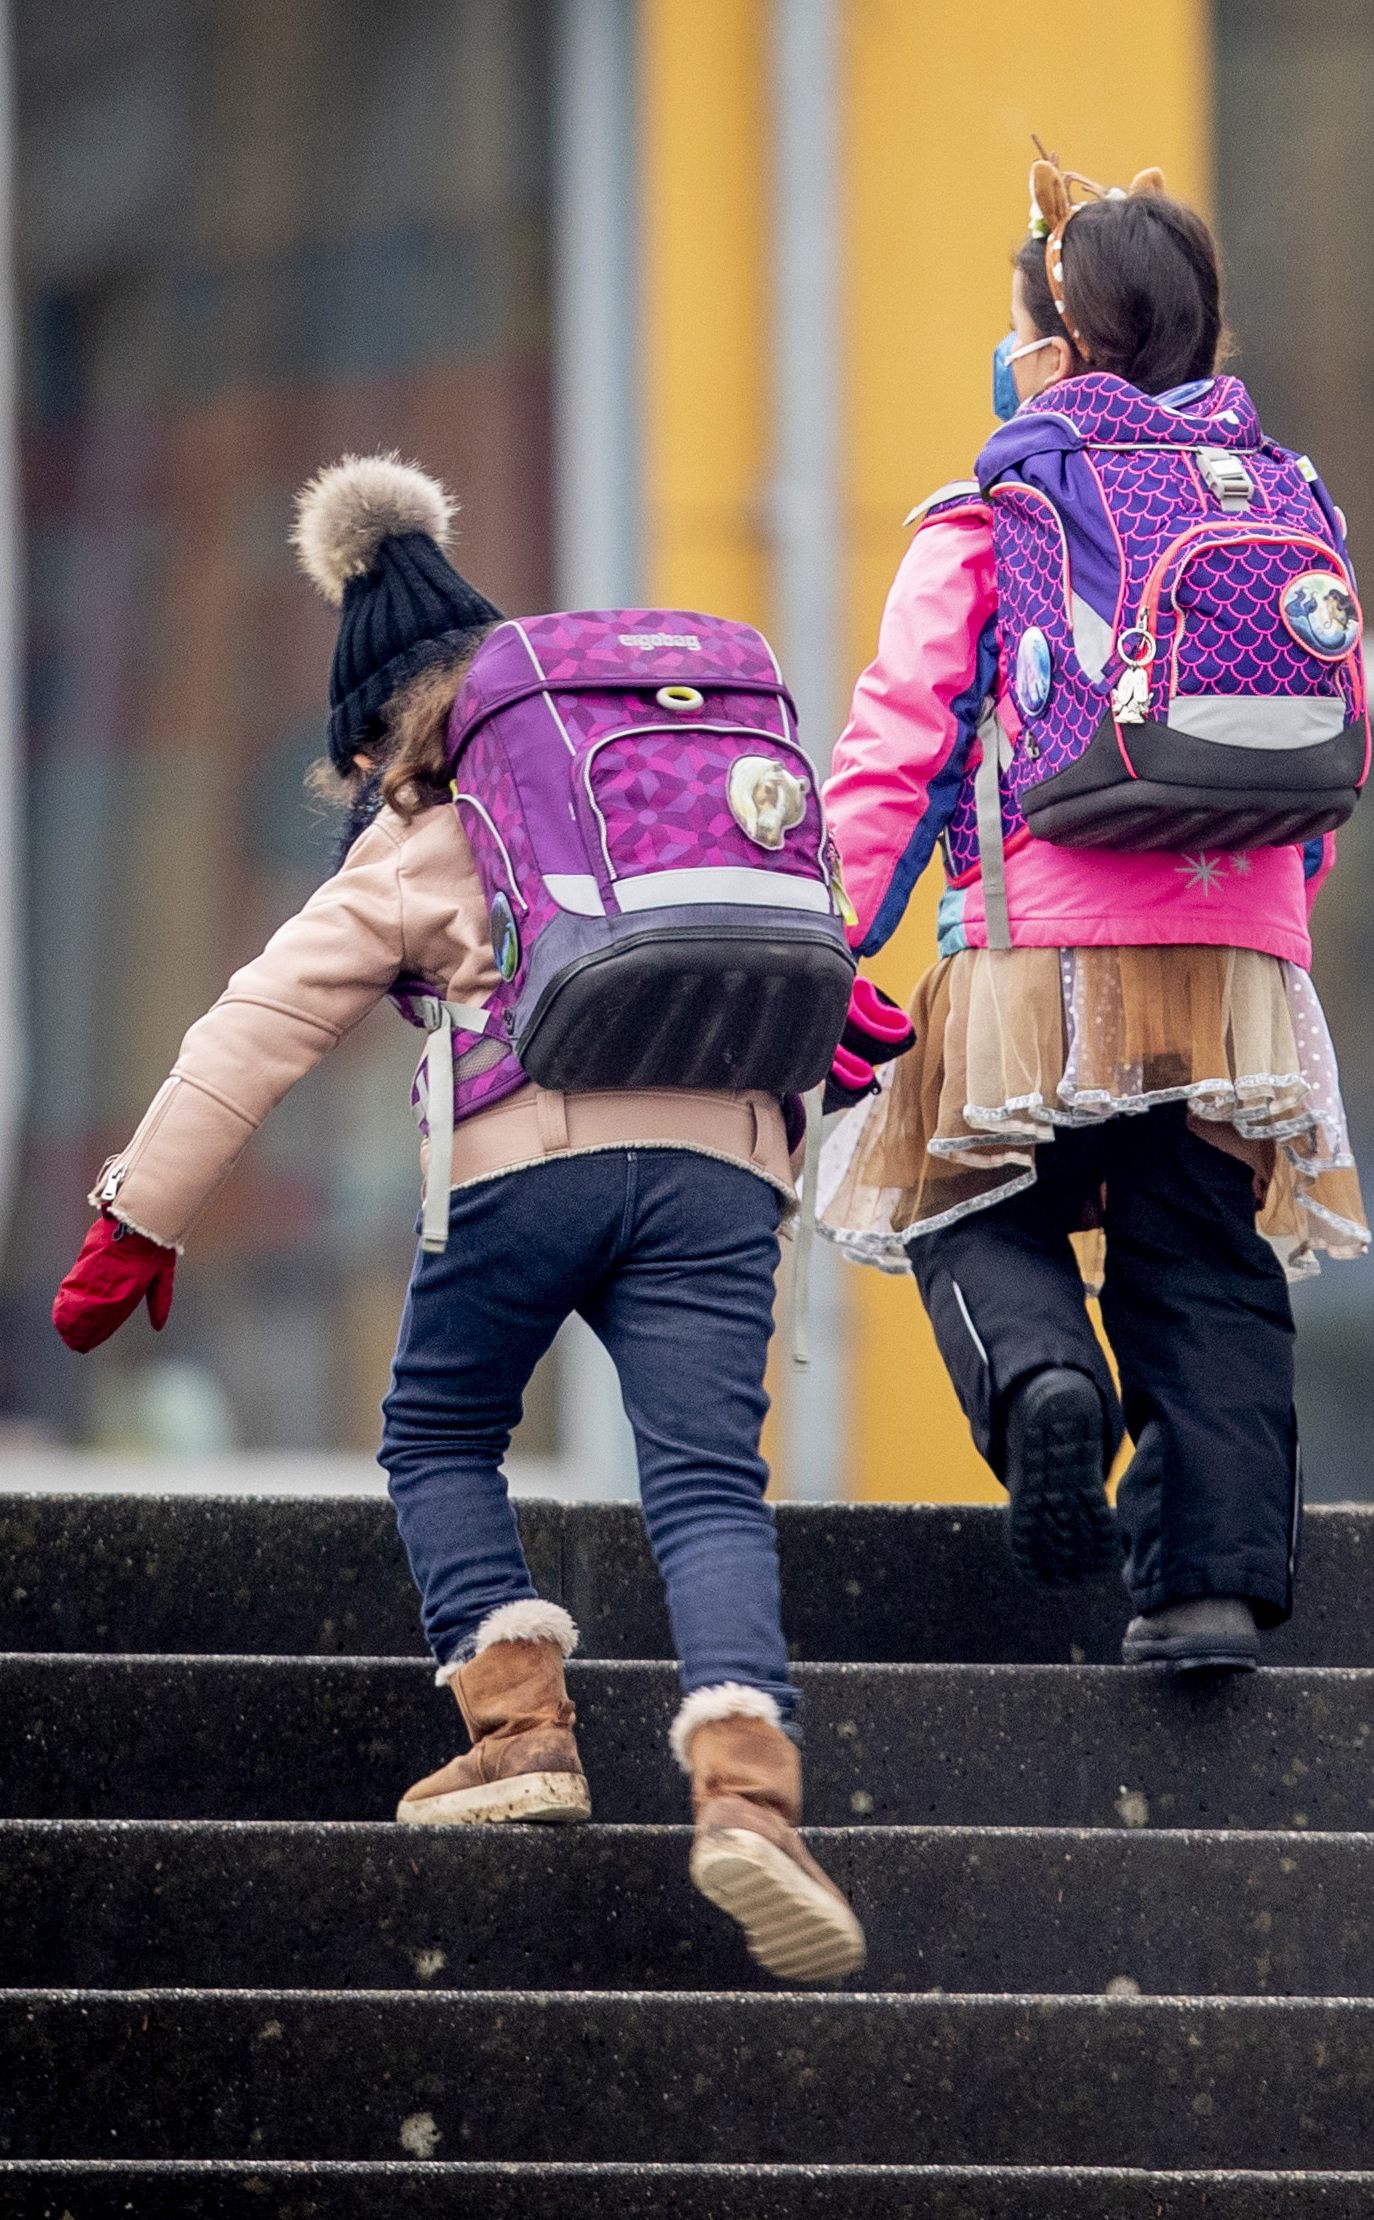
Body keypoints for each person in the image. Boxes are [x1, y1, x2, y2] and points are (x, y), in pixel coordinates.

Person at [49, 456, 868, 1982]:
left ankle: (521, 1730)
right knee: (704, 1478)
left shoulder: (430, 826)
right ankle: (750, 1792)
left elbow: (262, 1017)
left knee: (435, 1430)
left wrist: (138, 1220)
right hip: (724, 1168)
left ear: (379, 734)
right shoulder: (632, 779)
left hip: (527, 1159)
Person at [819, 162, 1367, 1677]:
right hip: (1240, 964)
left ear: (1051, 348)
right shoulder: (1288, 494)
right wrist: (1266, 917)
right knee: (1204, 1266)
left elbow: (899, 750)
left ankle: (1045, 1377)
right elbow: (1311, 743)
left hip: (1032, 955)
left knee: (963, 1196)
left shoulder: (991, 508)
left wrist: (831, 945)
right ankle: (1206, 1594)